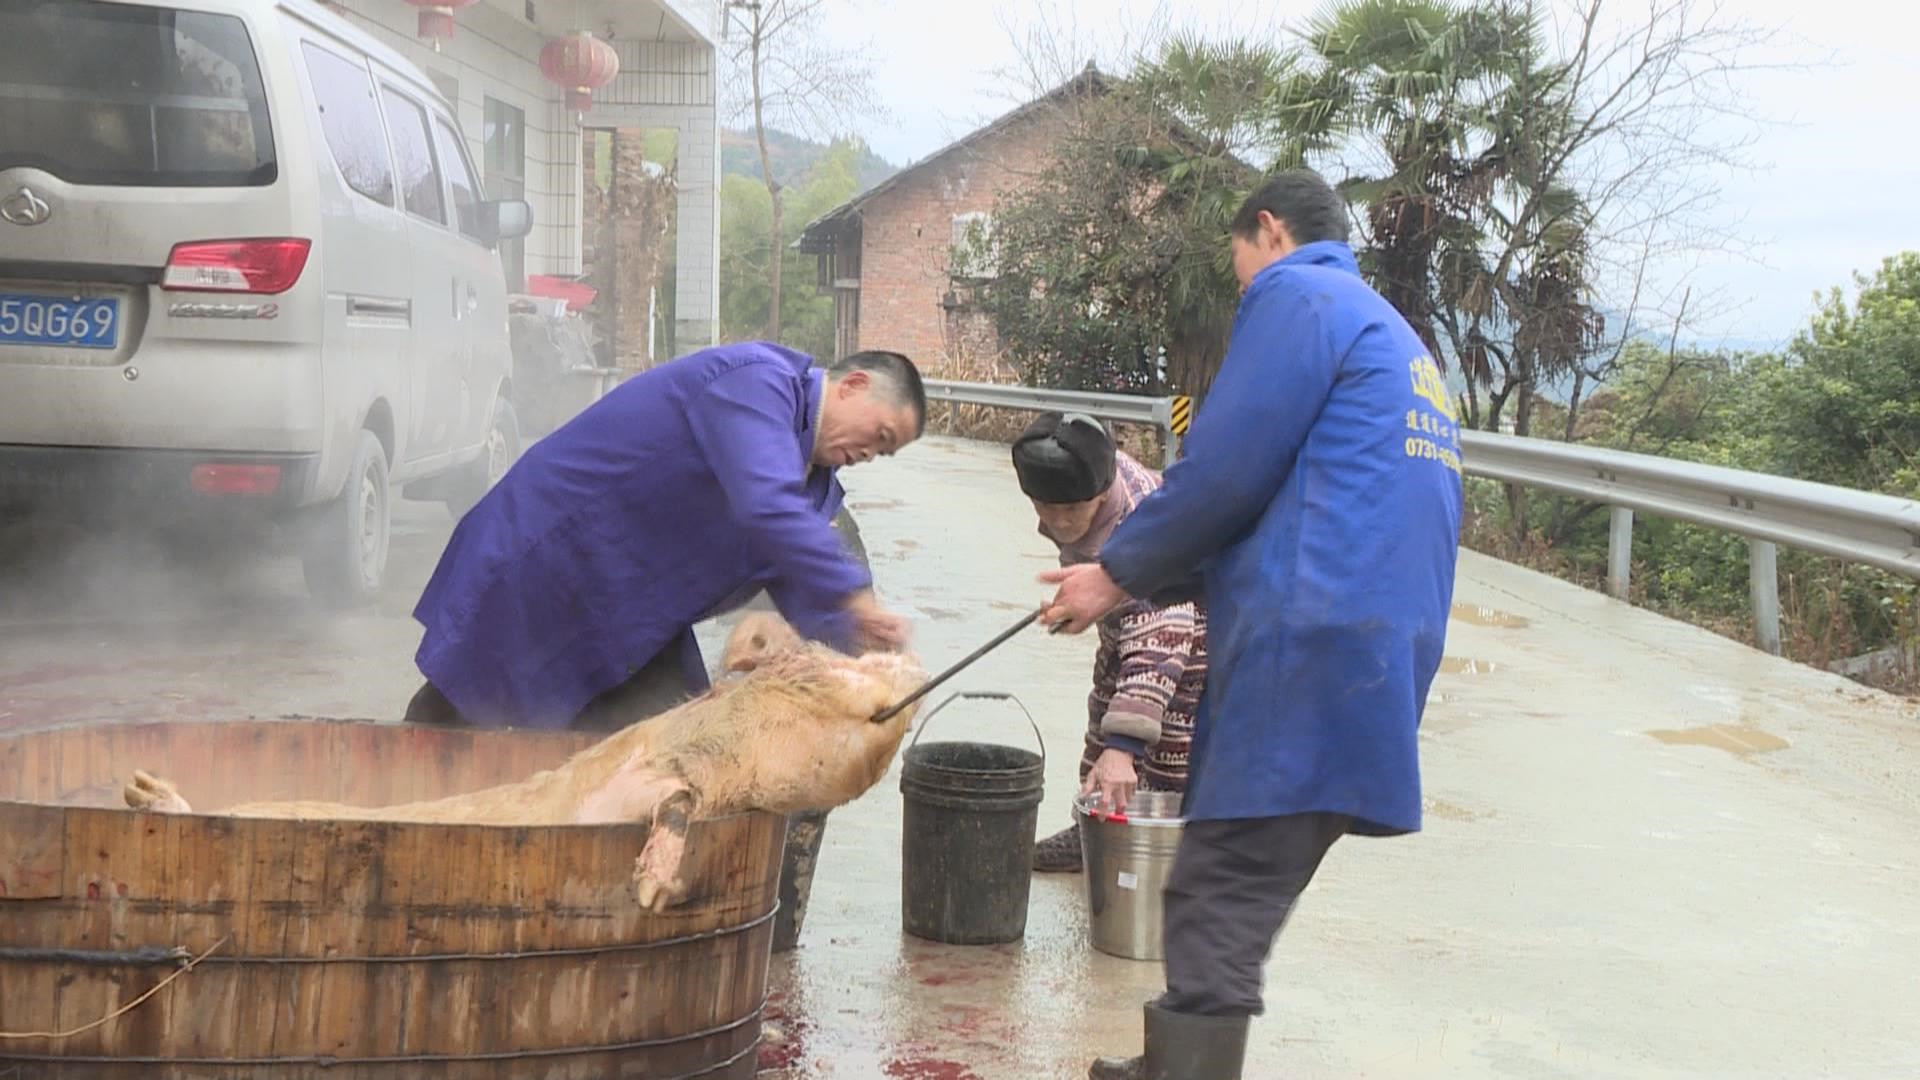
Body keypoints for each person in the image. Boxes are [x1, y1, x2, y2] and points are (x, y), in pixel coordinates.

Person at [1040, 170, 1465, 1080]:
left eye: (1237, 265)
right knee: (1239, 882)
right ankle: (1169, 1065)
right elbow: (1285, 504)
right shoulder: (1393, 334)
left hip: (1310, 637)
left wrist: (1111, 576)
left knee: (1218, 887)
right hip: (1380, 650)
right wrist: (1141, 574)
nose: (1241, 288)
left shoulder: (1297, 294)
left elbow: (1225, 472)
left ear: (1268, 230)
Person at [404, 342, 925, 733]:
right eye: (879, 436)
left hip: (630, 614)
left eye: (885, 452)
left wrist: (865, 652)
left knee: (682, 742)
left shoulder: (814, 488)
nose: (869, 454)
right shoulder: (757, 384)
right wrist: (852, 591)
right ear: (853, 384)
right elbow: (766, 505)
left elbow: (803, 589)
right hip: (550, 561)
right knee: (456, 725)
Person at [1009, 411, 1207, 874]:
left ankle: (1156, 853)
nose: (1058, 522)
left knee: (1169, 738)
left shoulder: (1135, 521)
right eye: (1044, 507)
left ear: (1101, 493)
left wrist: (1124, 748)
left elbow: (1164, 635)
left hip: (1196, 625)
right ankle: (1093, 832)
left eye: (1071, 511)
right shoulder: (1088, 470)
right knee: (1104, 710)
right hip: (1134, 621)